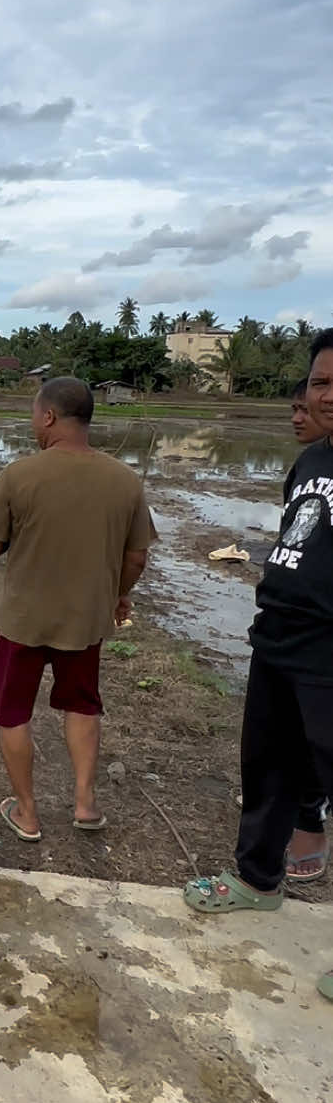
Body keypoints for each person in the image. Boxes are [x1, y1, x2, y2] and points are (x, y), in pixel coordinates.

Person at [185, 332, 333, 1006]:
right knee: (267, 764)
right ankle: (256, 878)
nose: (324, 396)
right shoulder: (311, 462)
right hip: (279, 639)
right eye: (320, 382)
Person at [0, 376, 155, 841]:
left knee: (13, 713)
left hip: (22, 621)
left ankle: (29, 814)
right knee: (82, 706)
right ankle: (85, 802)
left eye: (35, 414)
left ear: (50, 416)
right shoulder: (125, 479)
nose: (34, 422)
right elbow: (136, 557)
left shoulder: (19, 475)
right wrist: (118, 593)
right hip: (86, 621)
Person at [284, 377, 329, 881]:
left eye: (304, 408)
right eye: (294, 407)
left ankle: (309, 821)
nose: (298, 417)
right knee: (288, 738)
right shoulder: (308, 465)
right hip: (287, 632)